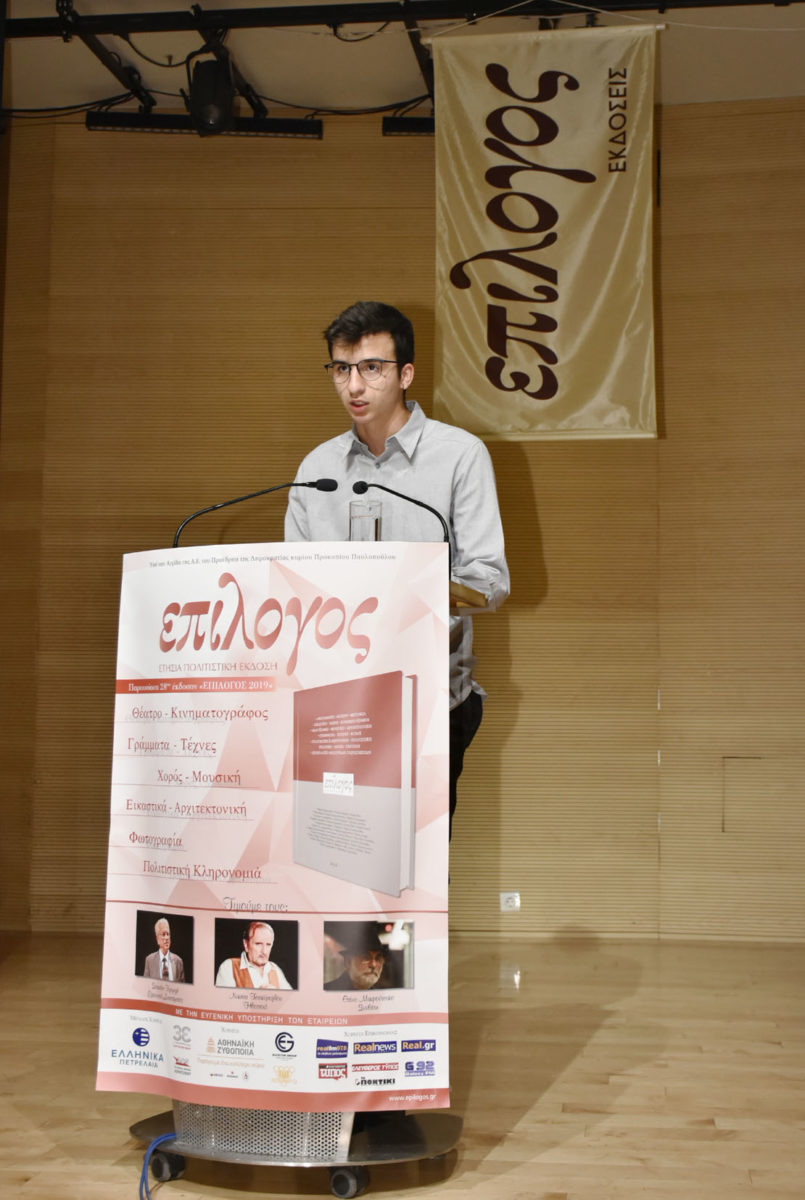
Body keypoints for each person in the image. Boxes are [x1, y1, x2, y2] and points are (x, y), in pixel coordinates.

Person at [285, 300, 509, 836]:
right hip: (336, 702)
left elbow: (489, 580)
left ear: (405, 374)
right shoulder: (316, 470)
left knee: (413, 864)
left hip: (429, 700)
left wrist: (409, 599)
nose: (354, 385)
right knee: (335, 851)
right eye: (341, 369)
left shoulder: (459, 456)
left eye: (371, 368)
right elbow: (294, 586)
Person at [215, 920, 292, 989]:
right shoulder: (229, 967)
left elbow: (291, 998)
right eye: (258, 944)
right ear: (246, 944)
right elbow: (223, 999)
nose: (264, 951)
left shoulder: (275, 969)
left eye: (268, 944)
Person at [324, 925, 393, 991]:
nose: (373, 964)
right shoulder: (327, 991)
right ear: (348, 962)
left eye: (378, 959)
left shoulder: (379, 996)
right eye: (365, 957)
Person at [143, 917, 185, 982]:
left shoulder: (178, 962)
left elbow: (183, 987)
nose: (166, 938)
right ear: (157, 939)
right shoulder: (149, 961)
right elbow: (145, 985)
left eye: (168, 934)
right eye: (163, 934)